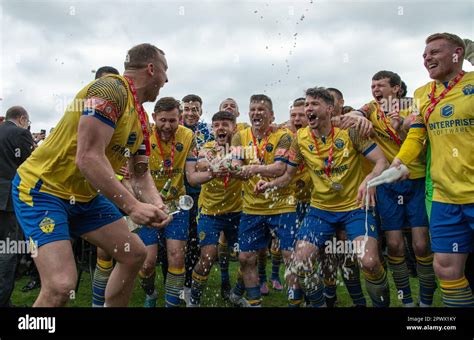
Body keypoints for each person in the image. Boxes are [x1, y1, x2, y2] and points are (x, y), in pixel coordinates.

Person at [12, 43, 171, 307]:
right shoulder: (110, 89)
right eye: (165, 71)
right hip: (44, 190)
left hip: (83, 197)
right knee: (61, 286)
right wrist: (132, 206)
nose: (167, 80)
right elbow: (88, 157)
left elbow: (140, 174)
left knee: (134, 255)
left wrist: (156, 204)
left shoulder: (141, 117)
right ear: (152, 69)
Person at [256, 87, 391, 307]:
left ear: (329, 109)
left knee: (369, 262)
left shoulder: (350, 132)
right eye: (307, 104)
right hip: (321, 210)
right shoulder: (300, 138)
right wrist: (269, 184)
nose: (308, 108)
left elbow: (381, 162)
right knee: (299, 263)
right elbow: (288, 175)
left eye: (314, 104)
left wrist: (370, 180)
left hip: (355, 208)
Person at [392, 32, 474, 307]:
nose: (427, 58)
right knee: (446, 269)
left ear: (457, 53)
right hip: (444, 197)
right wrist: (400, 162)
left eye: (435, 52)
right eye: (425, 55)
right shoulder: (422, 93)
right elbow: (417, 134)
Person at [348, 70, 436, 307]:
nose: (375, 90)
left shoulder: (413, 105)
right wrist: (360, 117)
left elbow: (421, 134)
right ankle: (406, 301)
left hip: (415, 180)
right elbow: (354, 113)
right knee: (395, 245)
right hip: (388, 185)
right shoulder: (371, 109)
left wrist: (402, 127)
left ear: (397, 88)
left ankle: (426, 302)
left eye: (381, 86)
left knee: (421, 244)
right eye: (372, 85)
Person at [230, 94, 301, 307]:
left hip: (282, 205)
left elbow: (280, 168)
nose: (256, 113)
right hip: (252, 207)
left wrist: (251, 168)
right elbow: (235, 165)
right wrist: (231, 168)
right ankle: (254, 303)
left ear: (271, 115)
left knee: (291, 257)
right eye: (252, 109)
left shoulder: (283, 136)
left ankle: (295, 302)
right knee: (245, 257)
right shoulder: (239, 136)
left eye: (261, 110)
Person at [136, 96, 197, 307]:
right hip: (147, 204)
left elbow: (191, 175)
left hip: (177, 204)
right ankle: (151, 293)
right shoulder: (142, 136)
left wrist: (213, 171)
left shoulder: (188, 135)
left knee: (176, 257)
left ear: (180, 118)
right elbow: (134, 176)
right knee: (147, 263)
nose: (168, 126)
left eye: (173, 120)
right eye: (163, 120)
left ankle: (171, 304)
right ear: (154, 117)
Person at [185, 111, 242, 306]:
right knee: (208, 257)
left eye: (225, 124)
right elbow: (197, 168)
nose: (220, 128)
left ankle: (237, 293)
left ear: (234, 127)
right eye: (216, 125)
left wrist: (230, 166)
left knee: (246, 257)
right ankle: (194, 298)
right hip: (210, 212)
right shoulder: (206, 148)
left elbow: (241, 165)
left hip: (237, 212)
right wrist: (214, 166)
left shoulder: (239, 148)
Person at [87, 65, 122, 308]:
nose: (106, 91)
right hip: (87, 193)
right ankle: (97, 303)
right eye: (102, 85)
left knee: (130, 252)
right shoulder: (82, 110)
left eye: (111, 85)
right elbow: (87, 157)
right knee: (103, 252)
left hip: (119, 192)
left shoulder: (124, 115)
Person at [0, 106, 34, 307]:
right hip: (8, 201)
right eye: (27, 122)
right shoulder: (20, 134)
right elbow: (30, 166)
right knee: (8, 251)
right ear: (22, 118)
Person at [181, 94, 213, 301]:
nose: (191, 113)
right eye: (187, 109)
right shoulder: (174, 128)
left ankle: (189, 285)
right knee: (177, 241)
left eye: (195, 109)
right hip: (177, 193)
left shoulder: (207, 132)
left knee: (194, 240)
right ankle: (175, 282)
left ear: (201, 112)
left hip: (200, 194)